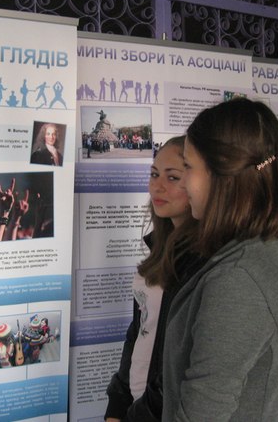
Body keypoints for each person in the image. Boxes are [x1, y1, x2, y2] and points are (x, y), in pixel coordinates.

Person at [162, 98, 278, 421]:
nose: (184, 182)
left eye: (189, 167)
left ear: (222, 176)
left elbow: (202, 411)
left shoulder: (239, 279)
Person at [105, 136, 203, 422]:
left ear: (199, 183)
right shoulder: (160, 248)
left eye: (172, 177)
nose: (157, 186)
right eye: (154, 174)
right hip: (135, 405)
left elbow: (185, 363)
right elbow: (140, 329)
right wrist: (118, 403)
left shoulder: (204, 261)